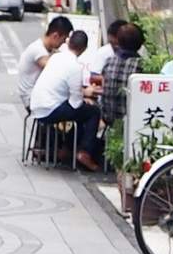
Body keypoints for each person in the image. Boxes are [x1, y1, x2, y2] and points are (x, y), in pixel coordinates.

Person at [29, 29, 100, 170]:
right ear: (84, 49)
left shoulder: (55, 57)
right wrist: (86, 97)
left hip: (36, 106)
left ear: (68, 42)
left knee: (81, 113)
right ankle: (84, 152)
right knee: (93, 112)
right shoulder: (75, 67)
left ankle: (67, 149)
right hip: (51, 110)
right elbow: (75, 103)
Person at [16, 16, 73, 107]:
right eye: (63, 40)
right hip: (32, 99)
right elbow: (57, 72)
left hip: (40, 96)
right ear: (55, 36)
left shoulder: (49, 49)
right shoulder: (38, 50)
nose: (63, 43)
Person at [100, 21, 145, 129]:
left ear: (118, 42)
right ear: (140, 43)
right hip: (131, 121)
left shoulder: (109, 61)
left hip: (108, 118)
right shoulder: (141, 65)